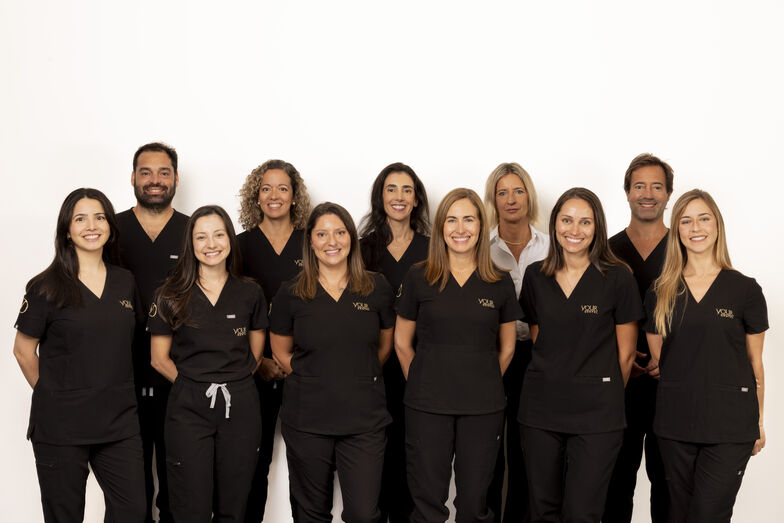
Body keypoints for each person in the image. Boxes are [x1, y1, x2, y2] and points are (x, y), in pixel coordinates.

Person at [13, 188, 146, 522]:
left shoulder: (125, 281)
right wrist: (58, 396)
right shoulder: (44, 287)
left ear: (110, 226)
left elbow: (132, 346)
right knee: (65, 516)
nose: (92, 226)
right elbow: (23, 351)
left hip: (119, 423)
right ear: (67, 230)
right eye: (81, 218)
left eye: (100, 217)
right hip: (62, 427)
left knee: (132, 511)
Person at [395, 188, 521, 523]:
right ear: (441, 227)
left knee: (474, 505)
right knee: (427, 504)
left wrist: (481, 379)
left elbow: (508, 347)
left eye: (468, 219)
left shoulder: (499, 281)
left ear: (481, 226)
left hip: (482, 408)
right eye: (451, 220)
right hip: (426, 405)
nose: (460, 228)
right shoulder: (419, 276)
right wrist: (423, 381)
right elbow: (402, 342)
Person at [518, 187, 642, 523]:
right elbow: (540, 337)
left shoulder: (618, 277)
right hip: (541, 409)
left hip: (597, 414)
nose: (575, 230)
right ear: (555, 223)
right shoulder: (536, 276)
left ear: (597, 226)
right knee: (542, 509)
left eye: (585, 222)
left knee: (582, 512)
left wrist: (599, 392)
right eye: (567, 220)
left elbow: (626, 354)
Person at [644, 189, 767, 523]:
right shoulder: (660, 291)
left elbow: (755, 364)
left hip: (730, 427)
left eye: (703, 218)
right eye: (685, 221)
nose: (695, 227)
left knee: (708, 515)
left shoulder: (745, 290)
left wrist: (758, 422)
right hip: (675, 424)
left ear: (717, 225)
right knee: (678, 515)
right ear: (677, 230)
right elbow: (662, 360)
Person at [269, 202, 395, 523]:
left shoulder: (377, 287)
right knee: (310, 514)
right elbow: (280, 352)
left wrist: (355, 373)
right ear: (310, 241)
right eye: (322, 234)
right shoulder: (291, 293)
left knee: (364, 514)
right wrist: (316, 377)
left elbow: (384, 346)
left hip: (364, 421)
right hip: (307, 420)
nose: (332, 241)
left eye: (340, 233)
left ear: (351, 238)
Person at [148, 205, 267, 522]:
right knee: (191, 508)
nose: (211, 244)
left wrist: (232, 381)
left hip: (240, 405)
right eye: (201, 237)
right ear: (190, 244)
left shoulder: (250, 292)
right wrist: (195, 385)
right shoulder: (170, 294)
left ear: (230, 239)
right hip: (188, 407)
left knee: (234, 505)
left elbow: (255, 355)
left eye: (218, 235)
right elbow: (159, 359)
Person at [116, 141, 188, 523]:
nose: (155, 180)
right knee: (130, 486)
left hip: (179, 374)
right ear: (132, 178)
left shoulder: (194, 232)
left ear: (176, 179)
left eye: (163, 172)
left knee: (179, 480)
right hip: (120, 376)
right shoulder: (109, 230)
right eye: (146, 172)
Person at [236, 159, 311, 522]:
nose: (274, 195)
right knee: (252, 463)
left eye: (283, 188)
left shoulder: (313, 243)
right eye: (266, 188)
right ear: (256, 196)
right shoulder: (239, 246)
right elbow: (226, 312)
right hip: (253, 371)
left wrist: (294, 361)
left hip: (305, 370)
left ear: (295, 196)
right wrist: (258, 362)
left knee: (309, 464)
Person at [358, 162, 430, 523]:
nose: (399, 197)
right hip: (372, 366)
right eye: (391, 189)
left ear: (416, 199)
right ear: (380, 197)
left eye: (406, 189)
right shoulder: (361, 249)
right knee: (375, 454)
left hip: (420, 364)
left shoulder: (434, 249)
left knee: (415, 451)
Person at [603, 153, 673, 523]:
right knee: (615, 484)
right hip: (619, 385)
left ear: (668, 194)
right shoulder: (607, 252)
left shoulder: (685, 248)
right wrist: (622, 360)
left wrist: (671, 359)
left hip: (672, 386)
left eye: (656, 186)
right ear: (627, 192)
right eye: (640, 186)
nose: (647, 194)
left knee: (669, 485)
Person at [483, 163, 548, 523]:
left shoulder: (551, 247)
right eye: (503, 192)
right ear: (493, 199)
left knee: (528, 450)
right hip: (492, 355)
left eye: (518, 191)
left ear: (529, 197)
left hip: (538, 358)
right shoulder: (481, 248)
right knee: (488, 450)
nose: (511, 199)